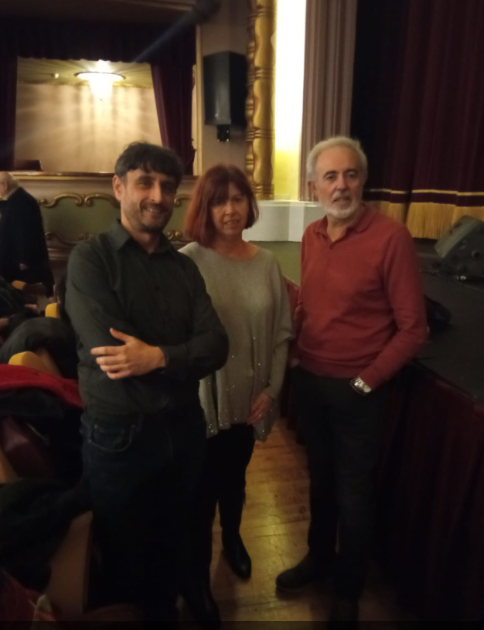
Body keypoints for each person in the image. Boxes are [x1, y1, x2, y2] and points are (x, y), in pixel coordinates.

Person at [65, 142, 228, 624]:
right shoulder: (90, 260)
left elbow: (217, 345)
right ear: (118, 187)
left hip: (183, 427)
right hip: (119, 435)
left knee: (176, 537)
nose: (158, 196)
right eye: (145, 183)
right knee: (123, 553)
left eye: (168, 187)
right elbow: (112, 355)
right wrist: (183, 355)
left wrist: (156, 356)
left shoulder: (185, 267)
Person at [275, 137, 428, 627]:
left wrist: (366, 381)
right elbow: (312, 305)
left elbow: (414, 329)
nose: (341, 185)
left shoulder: (391, 237)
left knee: (354, 494)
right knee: (320, 481)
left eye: (350, 174)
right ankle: (320, 558)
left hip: (359, 392)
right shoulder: (311, 234)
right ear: (313, 187)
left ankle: (348, 589)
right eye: (330, 176)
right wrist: (294, 353)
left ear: (362, 181)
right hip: (311, 383)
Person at [181, 164, 292, 627]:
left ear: (250, 203)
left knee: (235, 479)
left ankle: (232, 539)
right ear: (205, 208)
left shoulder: (267, 263)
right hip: (201, 404)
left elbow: (282, 333)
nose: (230, 209)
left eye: (238, 198)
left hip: (251, 400)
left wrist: (272, 389)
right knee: (200, 493)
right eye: (219, 201)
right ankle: (196, 579)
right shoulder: (187, 261)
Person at [0, 172, 54, 296]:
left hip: (20, 260)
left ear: (4, 185)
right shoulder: (16, 198)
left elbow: (24, 233)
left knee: (19, 292)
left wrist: (24, 260)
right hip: (14, 257)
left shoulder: (22, 202)